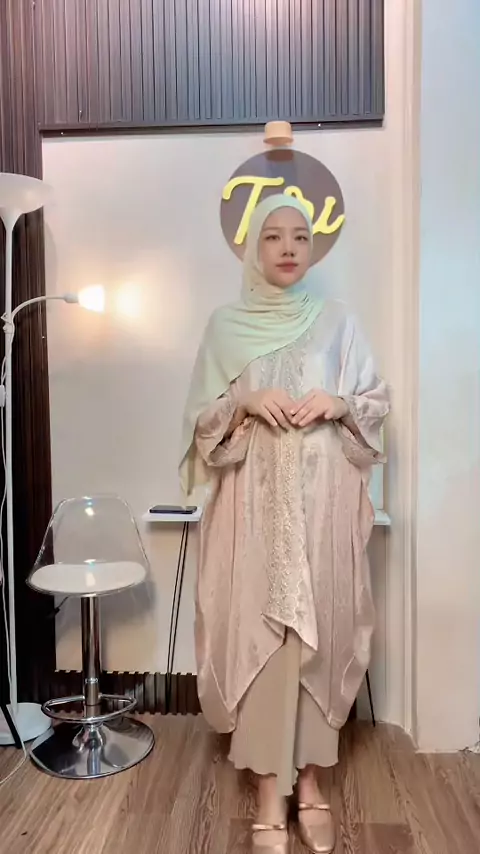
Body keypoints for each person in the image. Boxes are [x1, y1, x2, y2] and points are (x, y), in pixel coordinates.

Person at [180, 194, 389, 854]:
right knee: (266, 640)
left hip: (323, 510)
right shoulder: (225, 326)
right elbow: (202, 423)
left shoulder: (338, 322)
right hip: (254, 514)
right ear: (254, 247)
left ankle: (313, 783)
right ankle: (271, 791)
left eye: (300, 235)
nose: (289, 247)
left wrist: (340, 402)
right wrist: (243, 400)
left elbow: (374, 403)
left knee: (318, 638)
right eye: (273, 236)